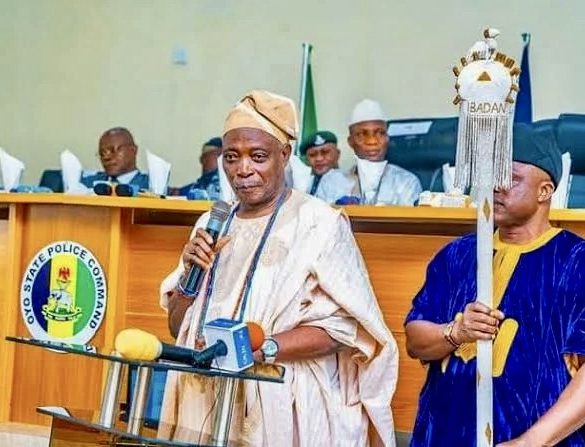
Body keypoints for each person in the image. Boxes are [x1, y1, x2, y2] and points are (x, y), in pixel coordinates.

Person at [158, 90, 398, 446]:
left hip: (283, 398)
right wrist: (188, 282)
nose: (243, 170)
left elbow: (345, 329)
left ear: (284, 155)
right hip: (205, 398)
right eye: (231, 158)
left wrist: (264, 349)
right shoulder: (210, 224)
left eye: (258, 157)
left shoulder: (319, 223)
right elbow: (179, 327)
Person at [404, 124, 585, 446]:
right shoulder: (457, 254)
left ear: (545, 191)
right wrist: (455, 332)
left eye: (511, 178)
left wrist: (531, 442)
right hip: (444, 433)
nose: (495, 186)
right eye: (490, 175)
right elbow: (415, 340)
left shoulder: (575, 260)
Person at [322, 99, 422, 206]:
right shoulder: (331, 182)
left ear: (387, 138)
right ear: (350, 142)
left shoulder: (406, 182)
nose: (372, 141)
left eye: (380, 133)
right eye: (362, 135)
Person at [81, 127, 149, 189]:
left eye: (113, 150)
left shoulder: (150, 185)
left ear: (133, 150)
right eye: (102, 153)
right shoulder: (87, 185)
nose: (106, 157)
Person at [298, 130, 353, 203]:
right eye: (312, 154)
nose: (319, 159)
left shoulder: (348, 182)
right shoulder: (305, 183)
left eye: (325, 152)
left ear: (337, 154)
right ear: (307, 160)